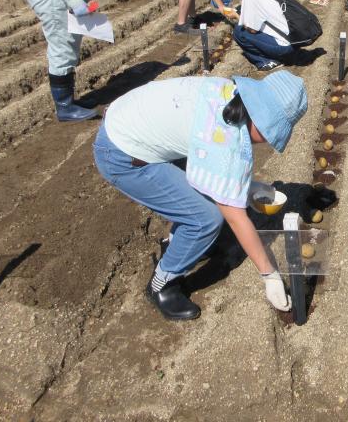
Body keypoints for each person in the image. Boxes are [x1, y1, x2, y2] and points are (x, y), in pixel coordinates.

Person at [93, 70, 308, 320]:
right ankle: (162, 283)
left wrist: (245, 186)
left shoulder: (226, 95)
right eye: (271, 132)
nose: (268, 140)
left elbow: (210, 167)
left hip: (127, 120)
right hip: (121, 153)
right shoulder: (225, 139)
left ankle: (178, 244)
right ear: (260, 119)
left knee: (205, 201)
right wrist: (269, 275)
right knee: (206, 218)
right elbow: (235, 217)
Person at [229, 0, 297, 71]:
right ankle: (276, 55)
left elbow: (252, 30)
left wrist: (237, 16)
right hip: (292, 40)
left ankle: (267, 61)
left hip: (283, 47)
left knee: (238, 31)